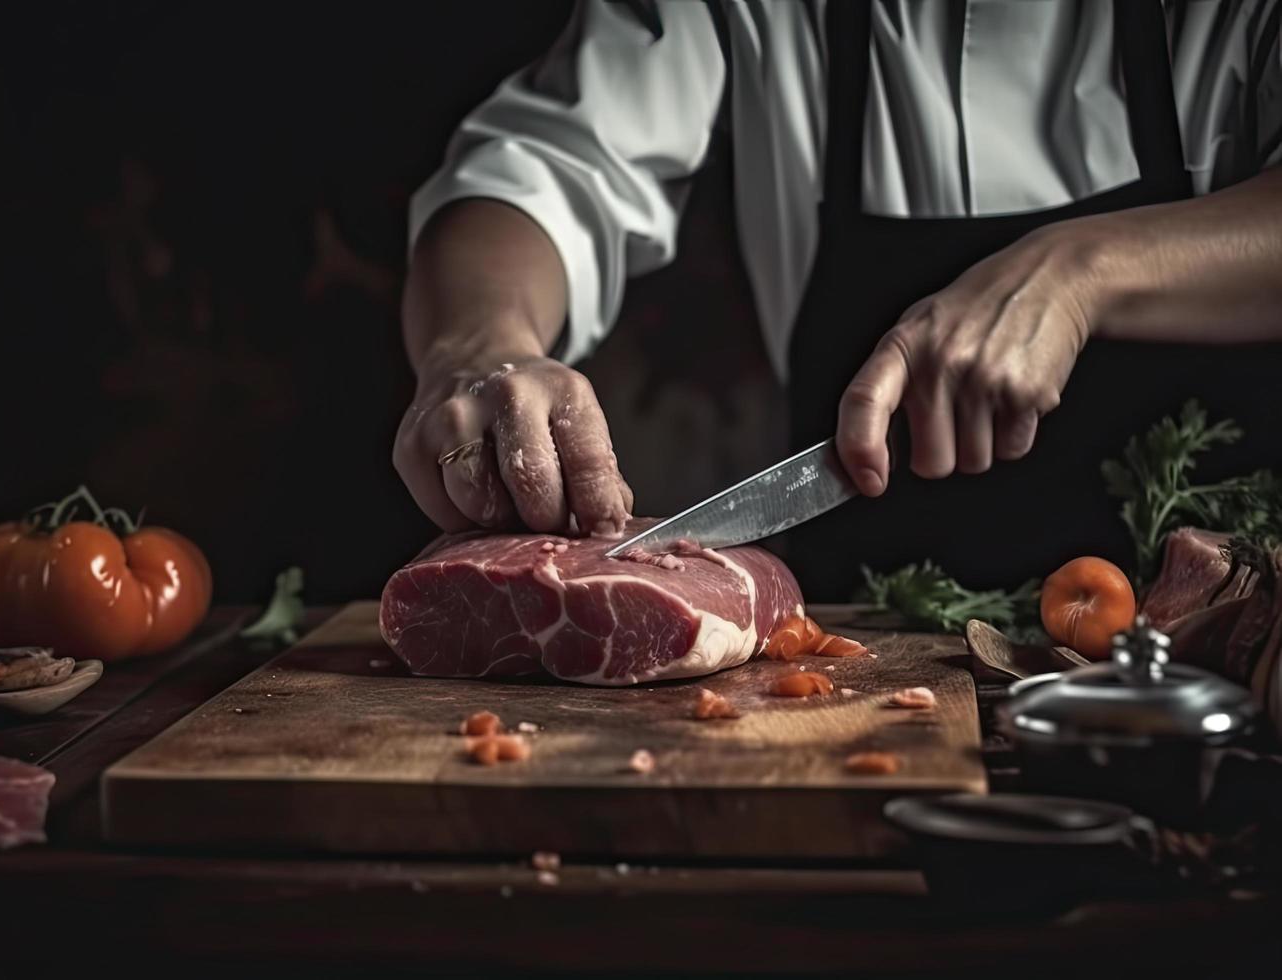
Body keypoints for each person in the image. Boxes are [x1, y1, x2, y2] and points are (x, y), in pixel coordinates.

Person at [394, 0, 1282, 598]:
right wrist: (479, 345)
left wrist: (1084, 269)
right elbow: (546, 164)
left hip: (1227, 653)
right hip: (880, 650)